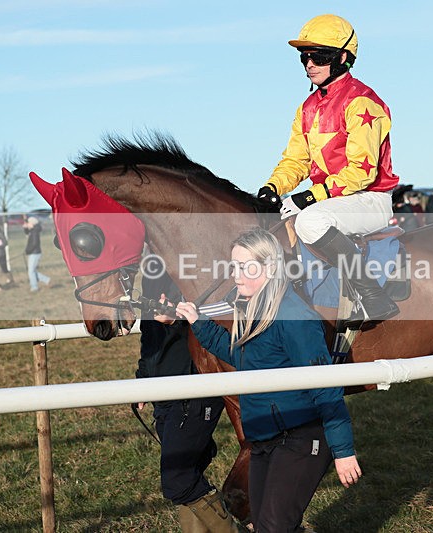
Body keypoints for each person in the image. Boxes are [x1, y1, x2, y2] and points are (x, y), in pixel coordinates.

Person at [175, 228, 361, 533]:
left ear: (270, 268)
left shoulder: (294, 317)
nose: (235, 276)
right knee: (263, 526)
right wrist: (199, 323)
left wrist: (343, 450)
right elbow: (242, 357)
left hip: (300, 437)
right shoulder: (254, 309)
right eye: (233, 266)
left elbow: (325, 387)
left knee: (274, 528)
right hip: (264, 437)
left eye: (245, 267)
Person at [256, 14, 399, 324]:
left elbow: (361, 172)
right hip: (332, 200)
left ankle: (373, 296)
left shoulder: (362, 102)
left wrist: (309, 196)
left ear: (343, 58)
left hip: (369, 198)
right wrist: (272, 187)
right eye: (304, 57)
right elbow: (296, 160)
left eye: (319, 56)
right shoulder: (307, 108)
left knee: (310, 220)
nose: (310, 64)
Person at [136, 270, 237, 533]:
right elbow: (148, 343)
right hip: (164, 399)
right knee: (186, 476)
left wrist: (176, 323)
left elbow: (207, 338)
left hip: (194, 395)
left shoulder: (194, 289)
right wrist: (141, 380)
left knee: (178, 481)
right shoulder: (151, 290)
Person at [22, 216, 51, 292]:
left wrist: (27, 250)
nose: (27, 224)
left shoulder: (34, 232)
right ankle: (46, 280)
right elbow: (27, 233)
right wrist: (25, 228)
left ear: (32, 224)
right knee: (32, 271)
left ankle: (34, 287)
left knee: (31, 271)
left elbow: (34, 243)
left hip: (34, 253)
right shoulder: (33, 230)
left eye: (28, 223)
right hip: (33, 253)